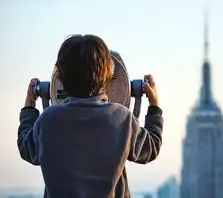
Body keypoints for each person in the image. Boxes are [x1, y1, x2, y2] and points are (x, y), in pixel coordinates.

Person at [17, 34, 164, 198]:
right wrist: (154, 106)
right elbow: (151, 148)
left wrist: (29, 105)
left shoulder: (47, 120)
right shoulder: (122, 119)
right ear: (109, 74)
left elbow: (26, 148)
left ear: (58, 76)